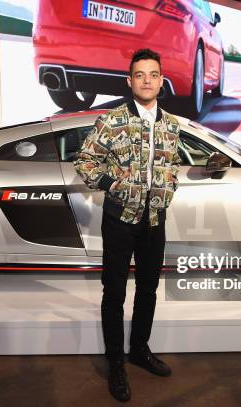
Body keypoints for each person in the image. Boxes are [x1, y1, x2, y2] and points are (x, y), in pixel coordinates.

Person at [74, 48, 181, 402]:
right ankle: (116, 363)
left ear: (161, 81)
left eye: (153, 74)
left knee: (149, 288)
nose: (147, 80)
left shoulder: (172, 125)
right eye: (140, 74)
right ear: (130, 80)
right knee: (115, 292)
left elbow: (172, 163)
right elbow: (85, 163)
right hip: (120, 218)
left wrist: (169, 185)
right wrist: (115, 185)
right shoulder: (113, 120)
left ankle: (139, 349)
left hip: (155, 219)